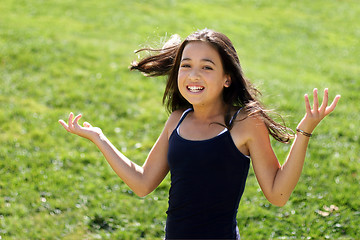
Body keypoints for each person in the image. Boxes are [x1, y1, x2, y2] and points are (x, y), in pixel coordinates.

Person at [59, 29, 341, 239]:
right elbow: (143, 183)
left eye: (207, 67)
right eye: (186, 65)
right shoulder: (176, 121)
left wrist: (304, 131)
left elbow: (278, 195)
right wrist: (99, 137)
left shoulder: (245, 122)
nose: (194, 75)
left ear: (227, 78)